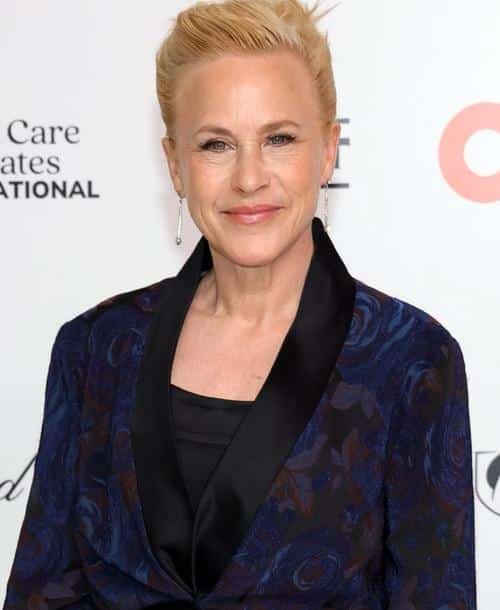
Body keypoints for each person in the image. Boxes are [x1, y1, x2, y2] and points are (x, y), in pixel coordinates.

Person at [3, 0, 477, 608]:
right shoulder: (94, 348)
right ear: (175, 166)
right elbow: (42, 594)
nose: (249, 178)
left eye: (279, 139)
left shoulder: (411, 361)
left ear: (327, 151)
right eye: (215, 145)